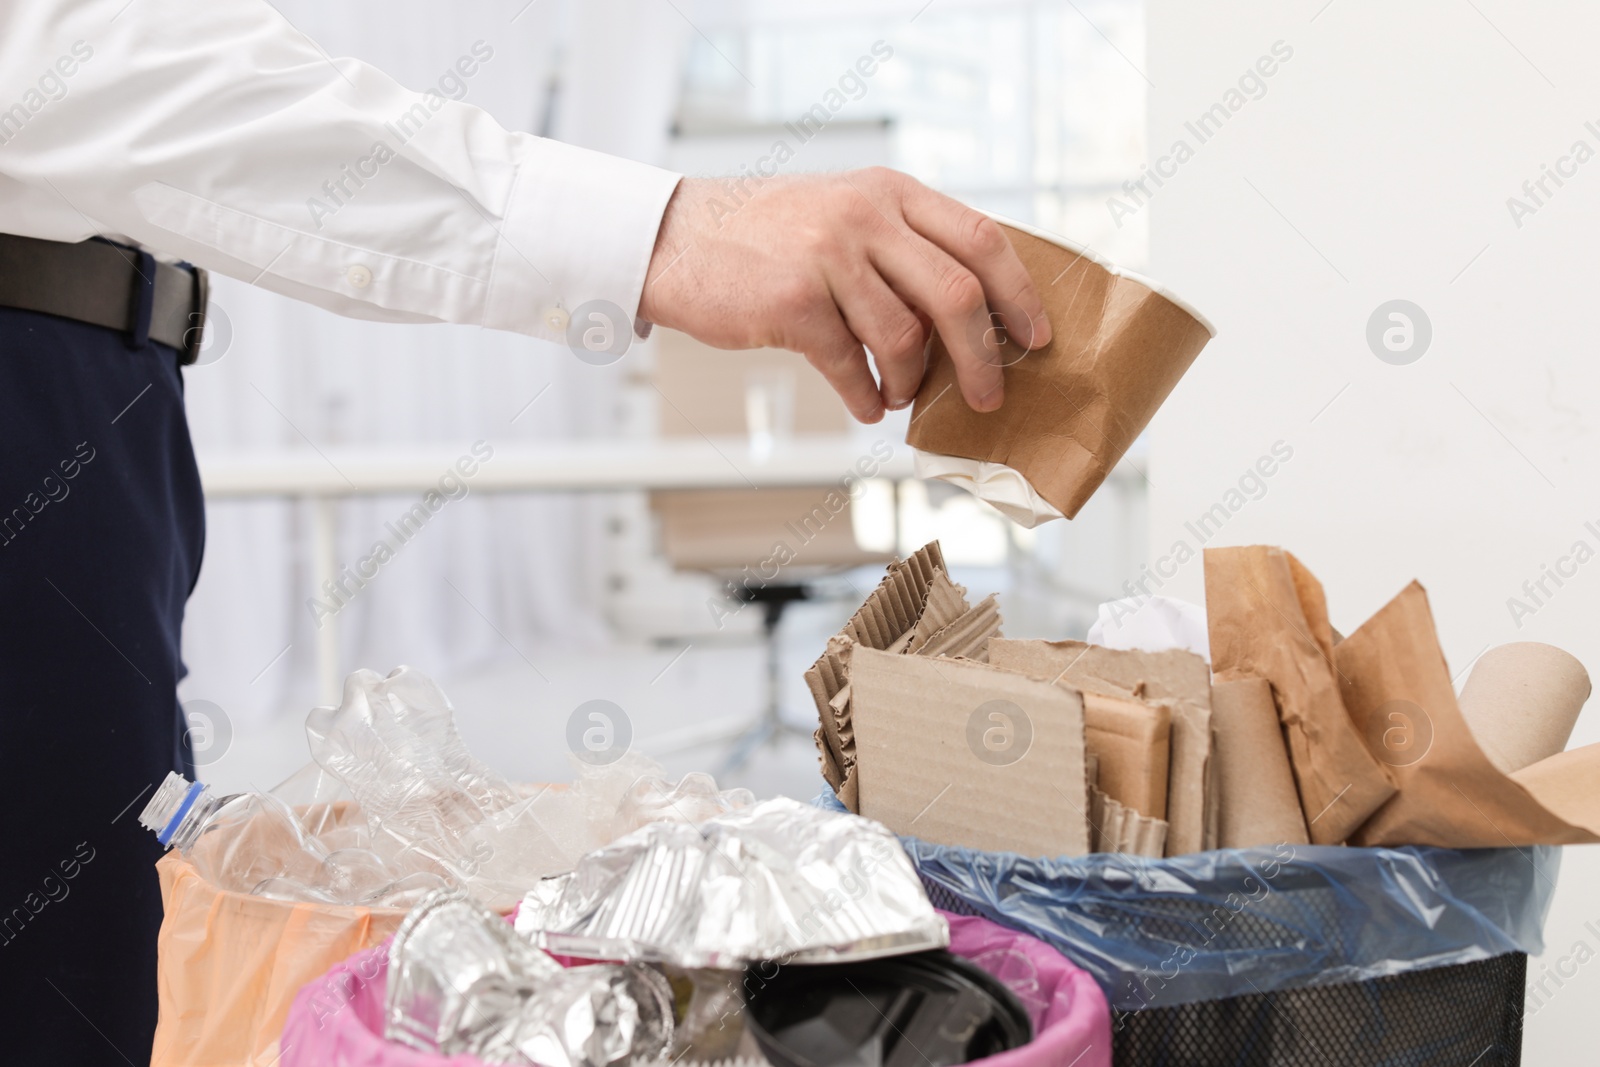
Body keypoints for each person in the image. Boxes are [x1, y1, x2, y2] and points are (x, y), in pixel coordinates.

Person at [0, 2, 1051, 1062]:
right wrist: (658, 229)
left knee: (107, 948)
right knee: (74, 980)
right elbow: (62, 56)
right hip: (39, 369)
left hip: (107, 383)